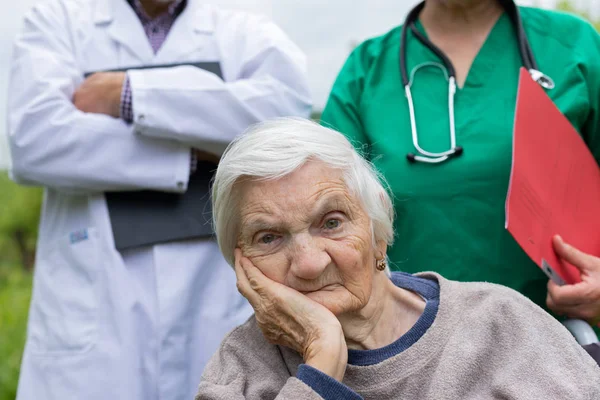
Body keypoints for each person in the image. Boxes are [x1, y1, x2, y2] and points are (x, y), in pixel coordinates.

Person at [7, 0, 311, 399]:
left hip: (214, 301)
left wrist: (128, 94)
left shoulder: (243, 31)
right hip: (96, 323)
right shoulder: (58, 22)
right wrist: (194, 151)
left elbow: (285, 116)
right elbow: (36, 142)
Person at [197, 118, 600, 399]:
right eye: (269, 237)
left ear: (377, 230)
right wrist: (321, 363)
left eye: (332, 223)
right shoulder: (240, 370)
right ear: (241, 264)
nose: (309, 263)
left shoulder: (498, 322)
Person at [320, 0, 600, 326]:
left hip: (558, 344)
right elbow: (322, 216)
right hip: (404, 346)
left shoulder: (574, 48)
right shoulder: (366, 71)